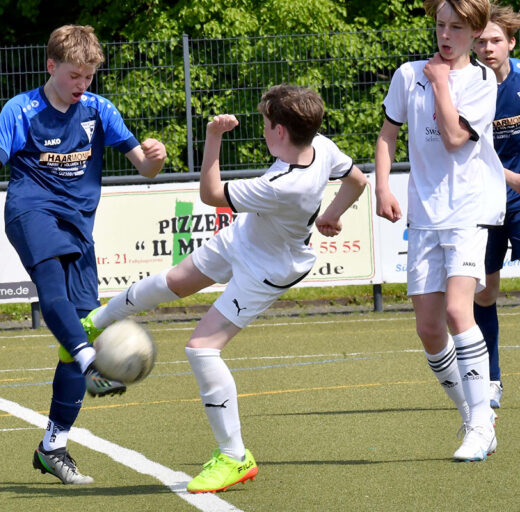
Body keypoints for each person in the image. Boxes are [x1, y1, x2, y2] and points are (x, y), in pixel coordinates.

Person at [82, 85, 368, 493]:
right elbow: (356, 180)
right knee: (174, 281)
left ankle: (234, 457)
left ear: (281, 131)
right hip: (246, 238)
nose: (263, 130)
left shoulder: (284, 185)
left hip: (268, 268)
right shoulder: (320, 145)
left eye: (267, 124)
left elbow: (210, 194)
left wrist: (213, 136)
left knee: (201, 347)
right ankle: (96, 322)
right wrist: (332, 216)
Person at [0, 25, 166, 485]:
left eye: (89, 76)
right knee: (56, 298)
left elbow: (144, 168)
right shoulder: (20, 109)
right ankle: (90, 362)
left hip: (79, 228)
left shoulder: (101, 110)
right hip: (30, 210)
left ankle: (53, 444)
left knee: (80, 325)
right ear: (51, 66)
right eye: (74, 76)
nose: (82, 85)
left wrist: (156, 157)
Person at [375, 0, 503, 461]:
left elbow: (453, 138)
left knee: (456, 310)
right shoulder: (408, 74)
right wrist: (382, 187)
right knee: (429, 329)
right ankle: (472, 418)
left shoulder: (483, 79)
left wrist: (443, 83)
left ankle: (483, 421)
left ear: (474, 32)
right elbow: (388, 135)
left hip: (470, 208)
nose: (444, 35)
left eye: (455, 28)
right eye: (439, 25)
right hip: (424, 214)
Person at [472, 3, 520, 410]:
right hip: (485, 203)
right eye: (481, 41)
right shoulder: (469, 85)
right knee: (485, 294)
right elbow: (470, 149)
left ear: (511, 43)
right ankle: (491, 380)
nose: (488, 48)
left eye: (495, 41)